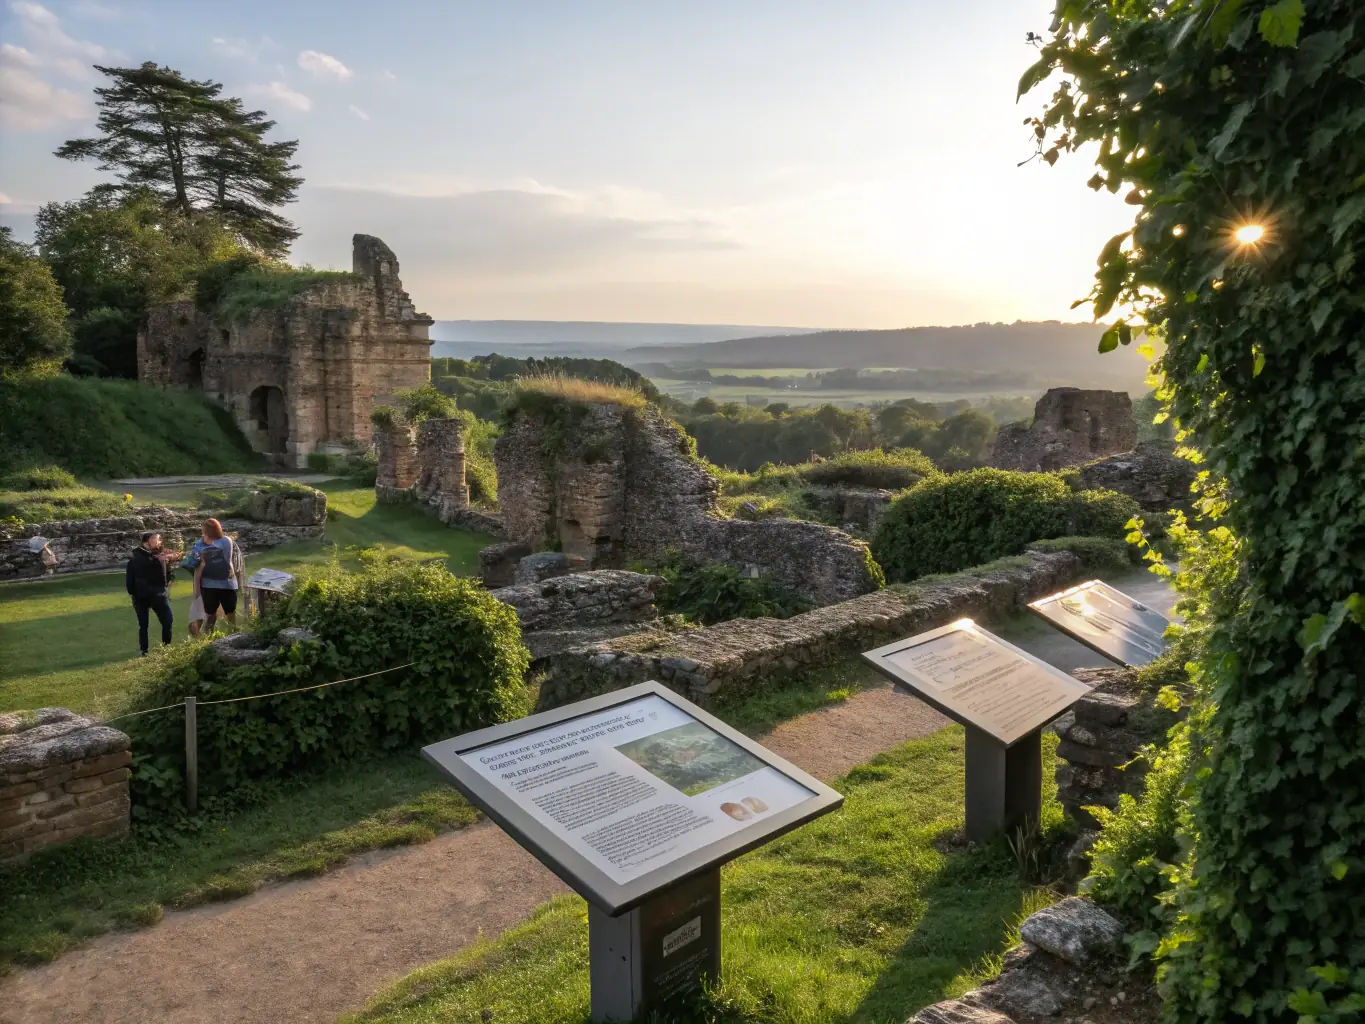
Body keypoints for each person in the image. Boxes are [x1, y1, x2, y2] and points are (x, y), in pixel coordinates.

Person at [184, 518, 242, 634]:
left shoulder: (226, 541)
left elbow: (226, 559)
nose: (202, 534)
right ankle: (208, 637)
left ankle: (234, 634)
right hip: (208, 584)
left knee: (230, 612)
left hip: (227, 583)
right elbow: (193, 563)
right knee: (210, 613)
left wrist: (206, 546)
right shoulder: (199, 543)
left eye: (204, 531)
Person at [125, 530, 174, 656]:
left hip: (155, 595)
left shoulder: (159, 556)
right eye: (157, 539)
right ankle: (145, 650)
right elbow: (130, 580)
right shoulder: (138, 558)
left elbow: (168, 575)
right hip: (144, 596)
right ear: (149, 540)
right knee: (144, 624)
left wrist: (168, 579)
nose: (160, 542)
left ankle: (164, 647)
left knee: (167, 621)